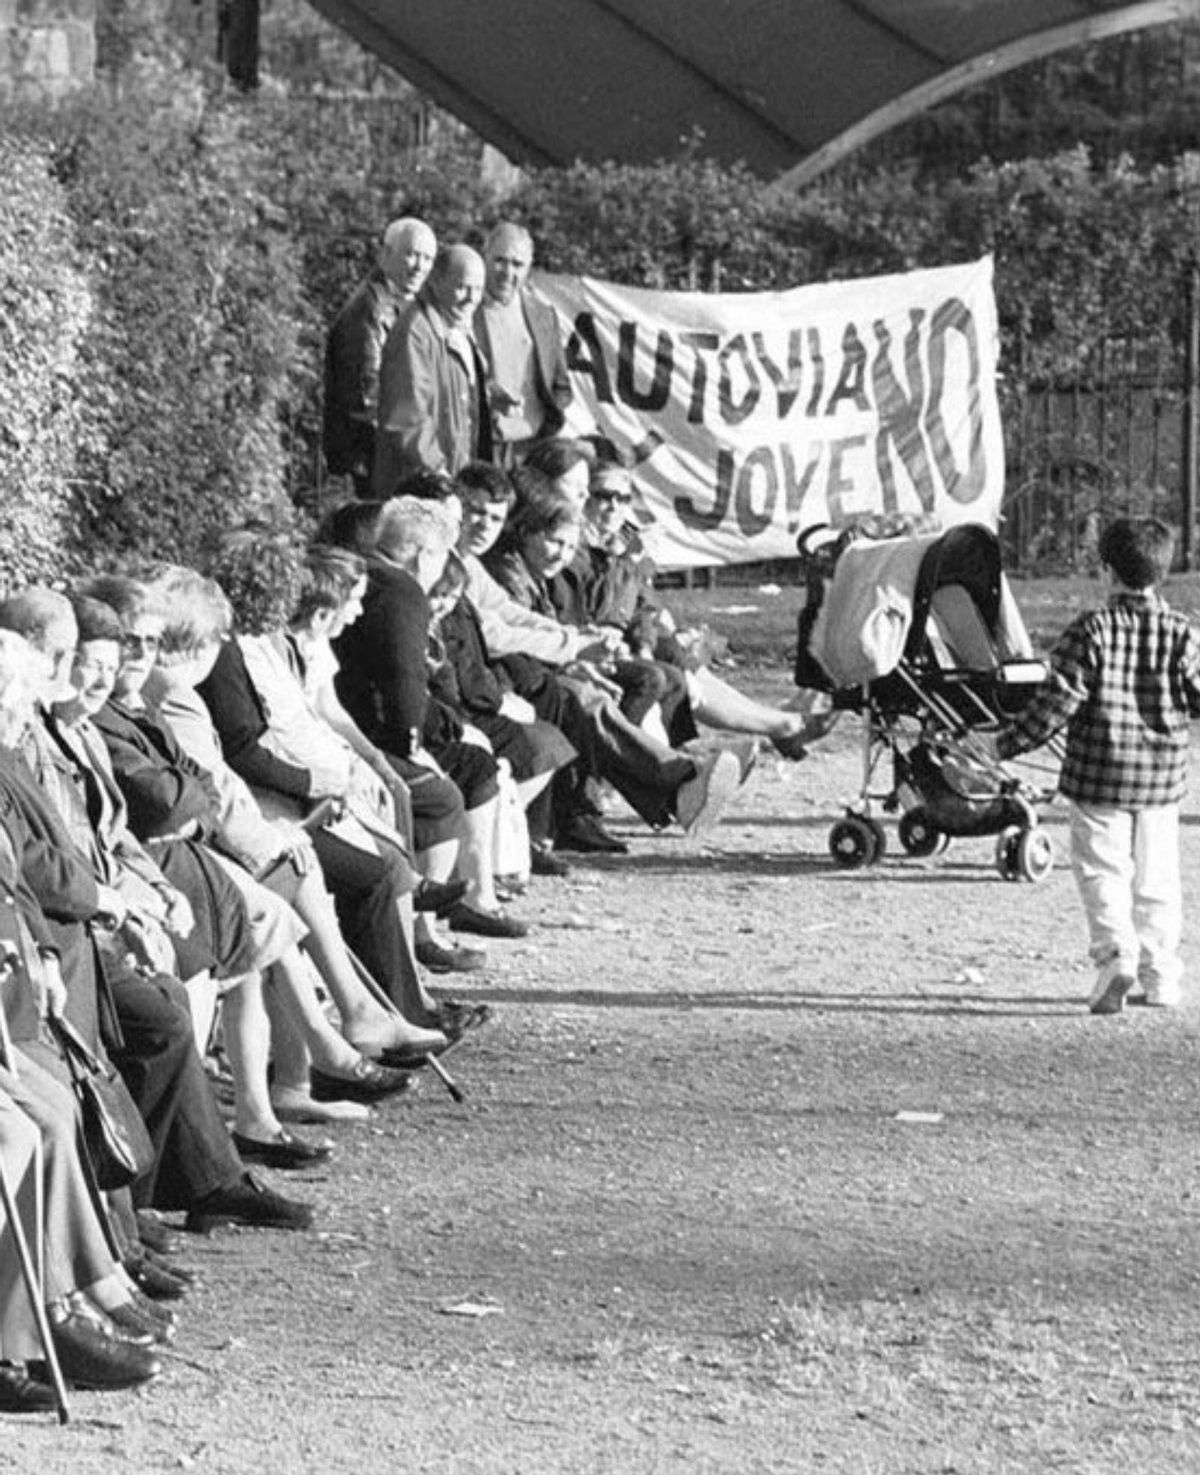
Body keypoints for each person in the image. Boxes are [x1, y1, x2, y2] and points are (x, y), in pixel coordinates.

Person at [0, 589, 315, 1234]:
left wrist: (143, 895)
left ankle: (180, 1189)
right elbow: (38, 862)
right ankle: (128, 1217)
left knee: (182, 985)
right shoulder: (28, 736)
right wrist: (109, 909)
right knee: (155, 1018)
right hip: (59, 936)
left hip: (83, 917)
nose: (99, 678)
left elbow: (113, 832)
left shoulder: (67, 729)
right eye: (79, 661)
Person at [996, 517, 1200, 1015]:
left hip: (1098, 776)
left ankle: (1115, 956)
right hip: (1160, 780)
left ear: (1106, 572)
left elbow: (1056, 703)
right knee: (1156, 880)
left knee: (1102, 873)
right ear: (1163, 572)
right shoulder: (1182, 634)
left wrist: (1006, 744)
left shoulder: (1089, 631)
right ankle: (1160, 973)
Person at [334, 497, 528, 937]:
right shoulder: (403, 590)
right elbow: (404, 675)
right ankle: (426, 925)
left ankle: (463, 898)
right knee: (445, 793)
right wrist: (412, 743)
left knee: (469, 768)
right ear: (425, 554)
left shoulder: (369, 574)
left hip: (356, 724)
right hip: (378, 733)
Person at [324, 217, 437, 496]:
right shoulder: (370, 309)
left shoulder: (411, 305)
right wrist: (397, 454)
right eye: (411, 254)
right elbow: (365, 396)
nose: (419, 267)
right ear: (385, 254)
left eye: (427, 258)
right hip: (369, 462)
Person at [373, 244, 494, 496]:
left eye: (478, 289)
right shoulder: (416, 331)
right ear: (436, 281)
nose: (472, 298)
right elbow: (407, 417)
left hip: (449, 482)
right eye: (462, 287)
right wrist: (440, 475)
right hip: (418, 488)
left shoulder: (457, 326)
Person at [474, 222, 572, 466]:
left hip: (530, 452)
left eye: (517, 264)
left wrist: (544, 426)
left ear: (528, 268)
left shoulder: (543, 315)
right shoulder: (463, 310)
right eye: (500, 260)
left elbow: (560, 383)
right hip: (479, 448)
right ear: (484, 258)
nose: (507, 272)